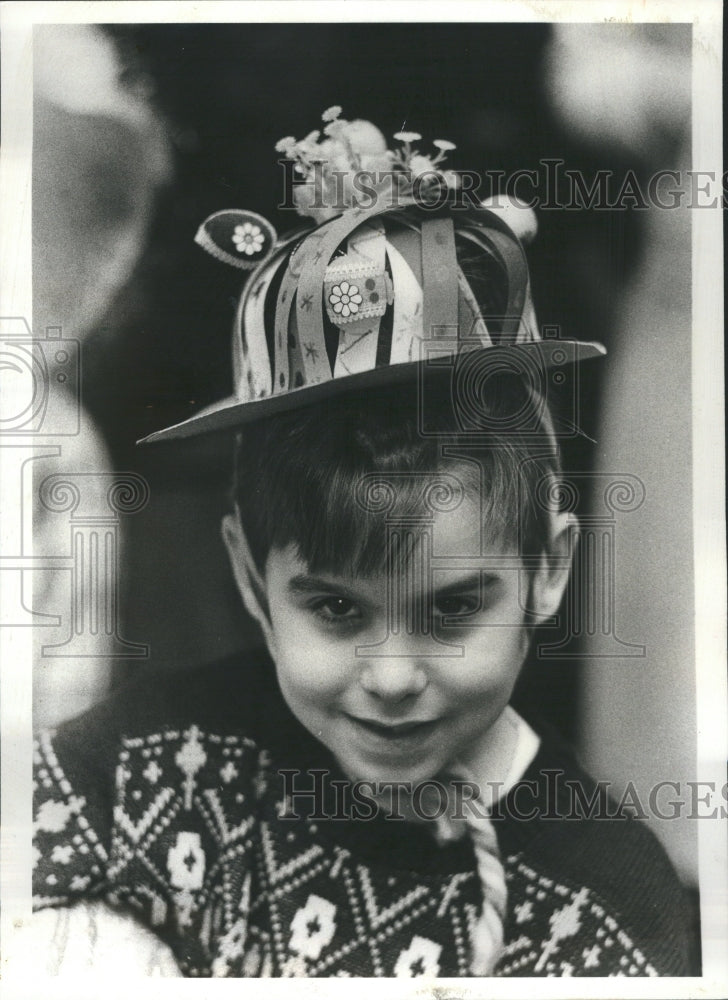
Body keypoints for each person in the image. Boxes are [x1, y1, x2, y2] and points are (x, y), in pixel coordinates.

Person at [31, 109, 691, 978]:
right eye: (337, 608)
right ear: (250, 577)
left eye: (454, 607)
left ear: (550, 570)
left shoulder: (607, 908)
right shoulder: (140, 769)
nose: (390, 677)